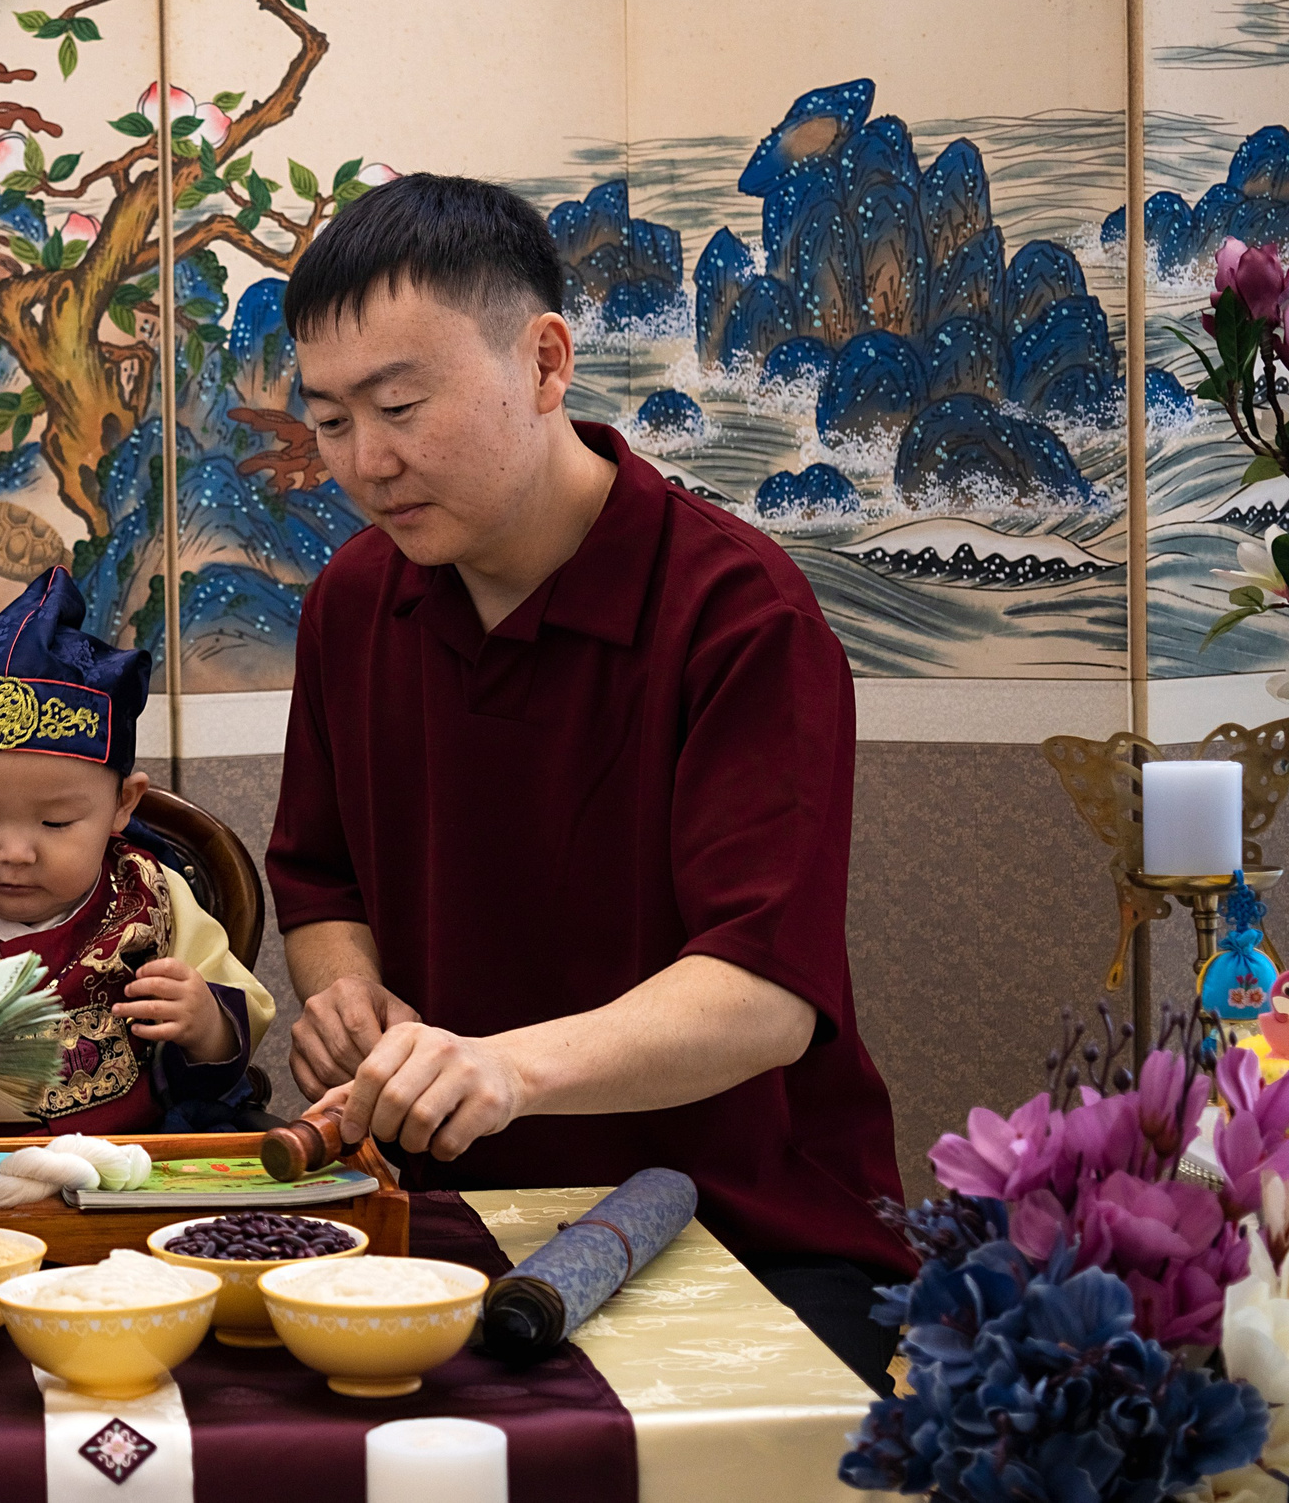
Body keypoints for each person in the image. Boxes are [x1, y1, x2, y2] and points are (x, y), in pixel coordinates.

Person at [264, 173, 912, 1387]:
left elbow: (761, 994)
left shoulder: (737, 615)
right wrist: (348, 996)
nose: (367, 461)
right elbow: (319, 876)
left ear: (547, 363)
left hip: (740, 1228)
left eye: (400, 405)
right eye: (332, 419)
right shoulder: (356, 600)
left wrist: (505, 1068)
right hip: (446, 1218)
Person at [0, 568, 274, 1141]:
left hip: (127, 1167)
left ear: (122, 805)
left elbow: (240, 1014)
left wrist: (207, 1023)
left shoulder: (150, 896)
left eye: (57, 822)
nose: (15, 853)